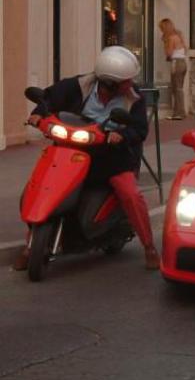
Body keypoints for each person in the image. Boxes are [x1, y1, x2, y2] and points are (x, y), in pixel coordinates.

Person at [13, 46, 161, 270]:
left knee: (130, 193)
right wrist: (38, 113)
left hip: (111, 158)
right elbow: (50, 98)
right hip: (72, 150)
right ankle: (30, 245)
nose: (130, 84)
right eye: (126, 81)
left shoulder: (134, 98)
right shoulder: (80, 85)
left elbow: (140, 129)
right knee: (45, 185)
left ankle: (149, 247)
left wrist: (121, 135)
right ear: (109, 83)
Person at [159, 18, 188, 120]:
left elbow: (169, 53)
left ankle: (180, 113)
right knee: (179, 88)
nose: (161, 31)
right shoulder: (179, 36)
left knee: (177, 89)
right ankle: (177, 113)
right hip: (183, 63)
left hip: (176, 63)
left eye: (162, 28)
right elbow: (185, 50)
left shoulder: (171, 38)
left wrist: (165, 43)